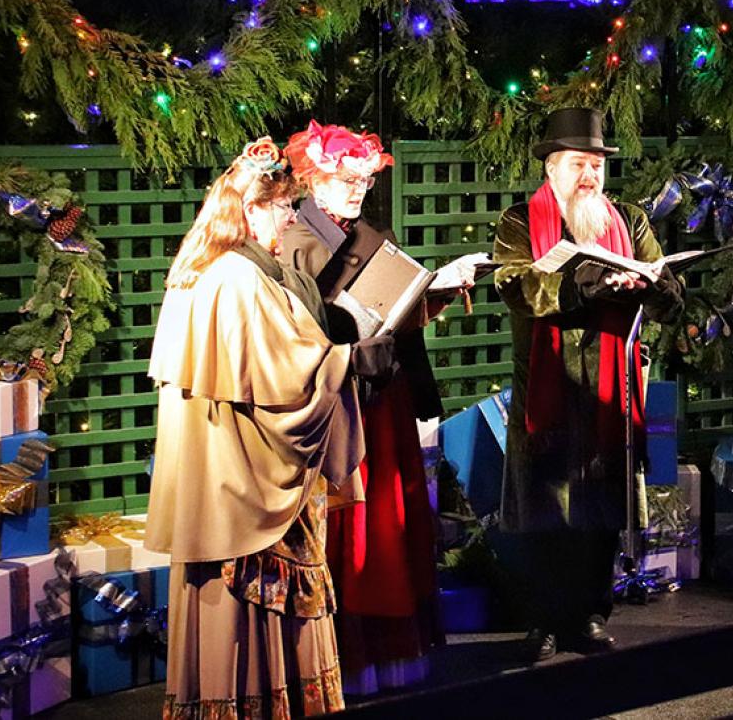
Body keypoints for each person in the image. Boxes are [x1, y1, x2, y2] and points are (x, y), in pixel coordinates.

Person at [146, 136, 372, 718]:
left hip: (216, 480)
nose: (290, 218)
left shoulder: (196, 270)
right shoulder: (240, 280)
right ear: (249, 210)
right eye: (281, 208)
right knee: (263, 608)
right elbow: (294, 377)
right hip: (248, 486)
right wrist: (357, 356)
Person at [280, 120, 482, 694]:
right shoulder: (298, 241)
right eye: (344, 179)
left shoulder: (367, 230)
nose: (355, 190)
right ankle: (346, 657)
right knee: (355, 526)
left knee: (390, 519)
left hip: (383, 394)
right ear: (312, 179)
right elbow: (307, 331)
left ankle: (392, 654)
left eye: (364, 181)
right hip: (343, 400)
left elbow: (396, 312)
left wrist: (433, 292)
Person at [492, 107, 684, 661]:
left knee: (601, 507)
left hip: (609, 386)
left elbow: (662, 280)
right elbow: (517, 285)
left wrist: (651, 285)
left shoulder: (629, 220)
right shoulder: (519, 222)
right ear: (551, 169)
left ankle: (591, 615)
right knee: (545, 509)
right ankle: (543, 620)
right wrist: (586, 286)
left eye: (596, 165)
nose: (589, 177)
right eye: (578, 164)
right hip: (548, 387)